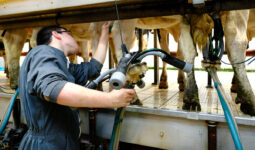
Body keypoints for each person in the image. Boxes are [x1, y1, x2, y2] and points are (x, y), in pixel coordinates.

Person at [18, 22, 135, 150]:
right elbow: (54, 88)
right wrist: (111, 99)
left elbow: (93, 68)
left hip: (59, 141)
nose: (74, 39)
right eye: (70, 34)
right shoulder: (42, 52)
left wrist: (104, 33)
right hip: (48, 145)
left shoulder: (62, 65)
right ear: (56, 34)